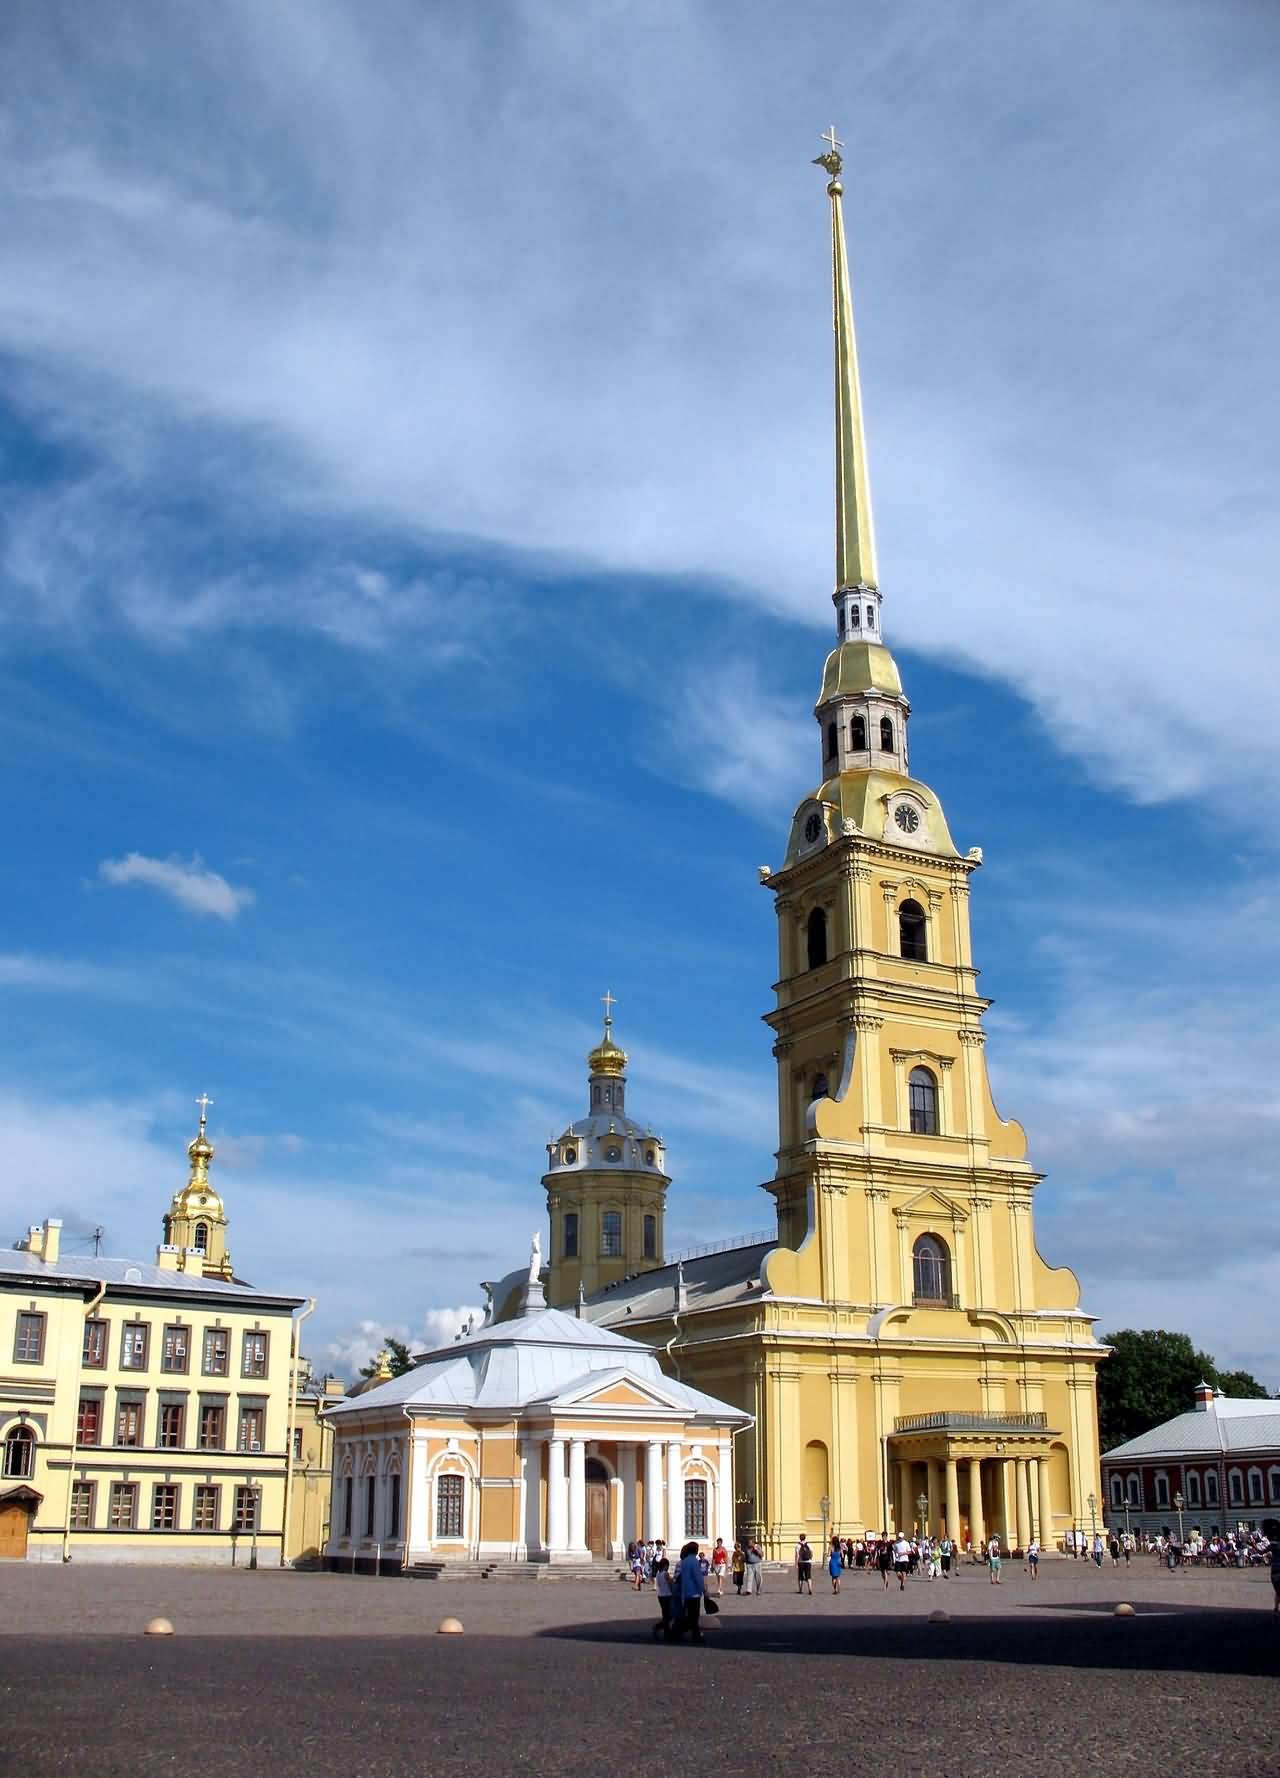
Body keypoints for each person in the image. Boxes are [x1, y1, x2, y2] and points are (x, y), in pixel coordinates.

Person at [673, 1540, 706, 1642]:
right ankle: (679, 1631)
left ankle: (694, 1634)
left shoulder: (685, 1561)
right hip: (694, 1593)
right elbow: (698, 1577)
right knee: (694, 1617)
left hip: (686, 1593)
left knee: (690, 1616)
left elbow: (683, 1578)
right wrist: (703, 1590)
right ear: (695, 1551)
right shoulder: (694, 1561)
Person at [652, 1556, 675, 1638]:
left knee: (665, 1615)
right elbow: (670, 1583)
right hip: (667, 1595)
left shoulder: (658, 1574)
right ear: (665, 1565)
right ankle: (660, 1628)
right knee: (670, 1615)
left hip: (660, 1595)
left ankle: (666, 1631)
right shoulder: (665, 1574)